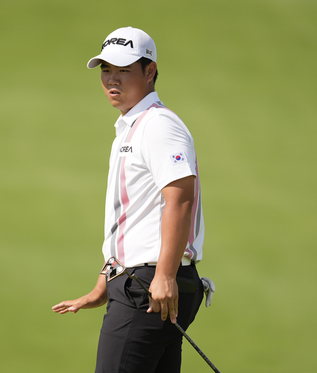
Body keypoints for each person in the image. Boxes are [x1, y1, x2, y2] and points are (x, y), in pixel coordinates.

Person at [52, 26, 208, 373]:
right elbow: (136, 216)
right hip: (143, 282)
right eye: (107, 69)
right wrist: (106, 279)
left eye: (124, 70)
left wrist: (164, 275)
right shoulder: (132, 127)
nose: (112, 79)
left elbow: (180, 198)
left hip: (149, 287)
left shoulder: (158, 125)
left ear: (150, 71)